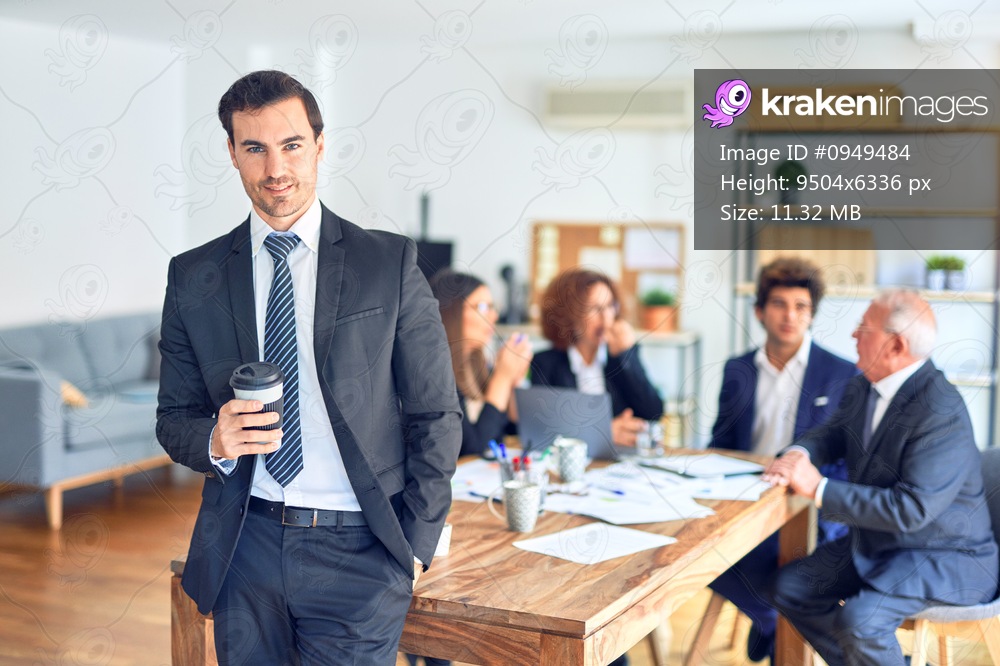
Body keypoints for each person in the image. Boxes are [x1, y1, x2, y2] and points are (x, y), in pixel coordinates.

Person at [156, 70, 462, 665]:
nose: (276, 168)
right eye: (255, 148)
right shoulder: (193, 276)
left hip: (361, 552)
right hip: (245, 546)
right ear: (232, 154)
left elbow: (435, 412)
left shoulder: (387, 262)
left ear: (319, 146)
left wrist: (415, 546)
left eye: (291, 145)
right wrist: (215, 439)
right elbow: (173, 419)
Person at [764, 289, 999, 666]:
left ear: (895, 345)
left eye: (863, 328)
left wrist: (819, 487)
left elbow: (911, 509)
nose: (853, 336)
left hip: (944, 554)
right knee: (790, 587)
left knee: (859, 621)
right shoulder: (864, 384)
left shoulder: (941, 410)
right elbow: (832, 434)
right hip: (882, 542)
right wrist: (799, 454)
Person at [707, 257, 857, 661]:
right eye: (779, 304)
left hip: (808, 507)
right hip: (745, 496)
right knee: (701, 554)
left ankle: (772, 622)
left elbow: (847, 461)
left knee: (782, 562)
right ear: (759, 311)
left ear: (811, 314)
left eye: (801, 307)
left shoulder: (842, 374)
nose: (790, 316)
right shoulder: (738, 369)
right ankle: (771, 622)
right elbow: (720, 443)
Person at [532, 268, 663, 447]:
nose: (606, 318)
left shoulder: (620, 357)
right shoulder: (545, 363)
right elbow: (541, 428)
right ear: (568, 315)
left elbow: (653, 412)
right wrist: (603, 432)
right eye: (594, 309)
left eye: (610, 306)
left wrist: (627, 356)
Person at [429, 270, 533, 457]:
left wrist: (513, 381)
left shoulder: (479, 365)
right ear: (452, 312)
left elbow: (511, 432)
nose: (493, 316)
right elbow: (474, 448)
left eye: (494, 308)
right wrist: (502, 378)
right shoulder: (436, 374)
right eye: (483, 307)